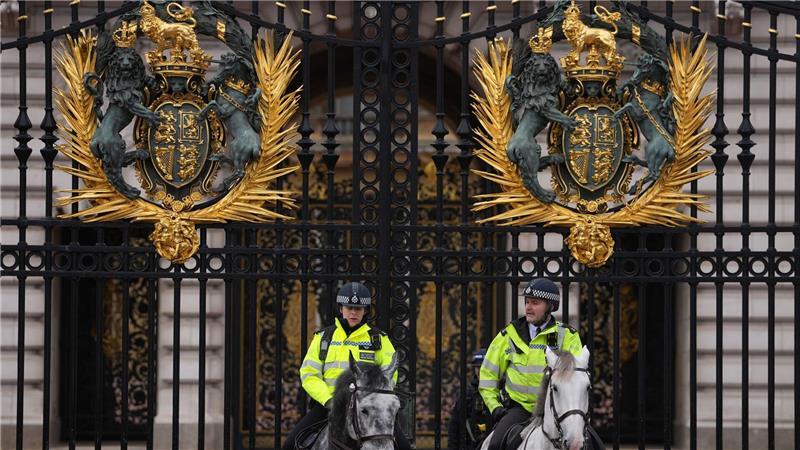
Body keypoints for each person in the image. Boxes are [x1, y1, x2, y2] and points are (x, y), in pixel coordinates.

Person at [282, 282, 411, 450]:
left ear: (365, 311)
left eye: (358, 308)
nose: (353, 312)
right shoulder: (323, 338)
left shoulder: (378, 339)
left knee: (404, 447)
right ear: (341, 309)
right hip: (328, 406)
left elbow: (389, 374)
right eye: (349, 307)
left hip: (368, 408)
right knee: (290, 445)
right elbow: (309, 374)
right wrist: (329, 400)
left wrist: (373, 398)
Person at [478, 278, 583, 450]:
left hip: (558, 409)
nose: (528, 307)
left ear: (550, 306)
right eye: (527, 302)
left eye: (535, 303)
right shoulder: (508, 336)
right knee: (495, 445)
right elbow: (488, 375)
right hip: (520, 409)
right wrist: (495, 407)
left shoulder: (567, 336)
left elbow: (578, 377)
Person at [447, 348, 493, 450]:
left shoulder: (501, 391)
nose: (480, 371)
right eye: (478, 368)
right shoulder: (467, 393)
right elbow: (454, 426)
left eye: (483, 367)